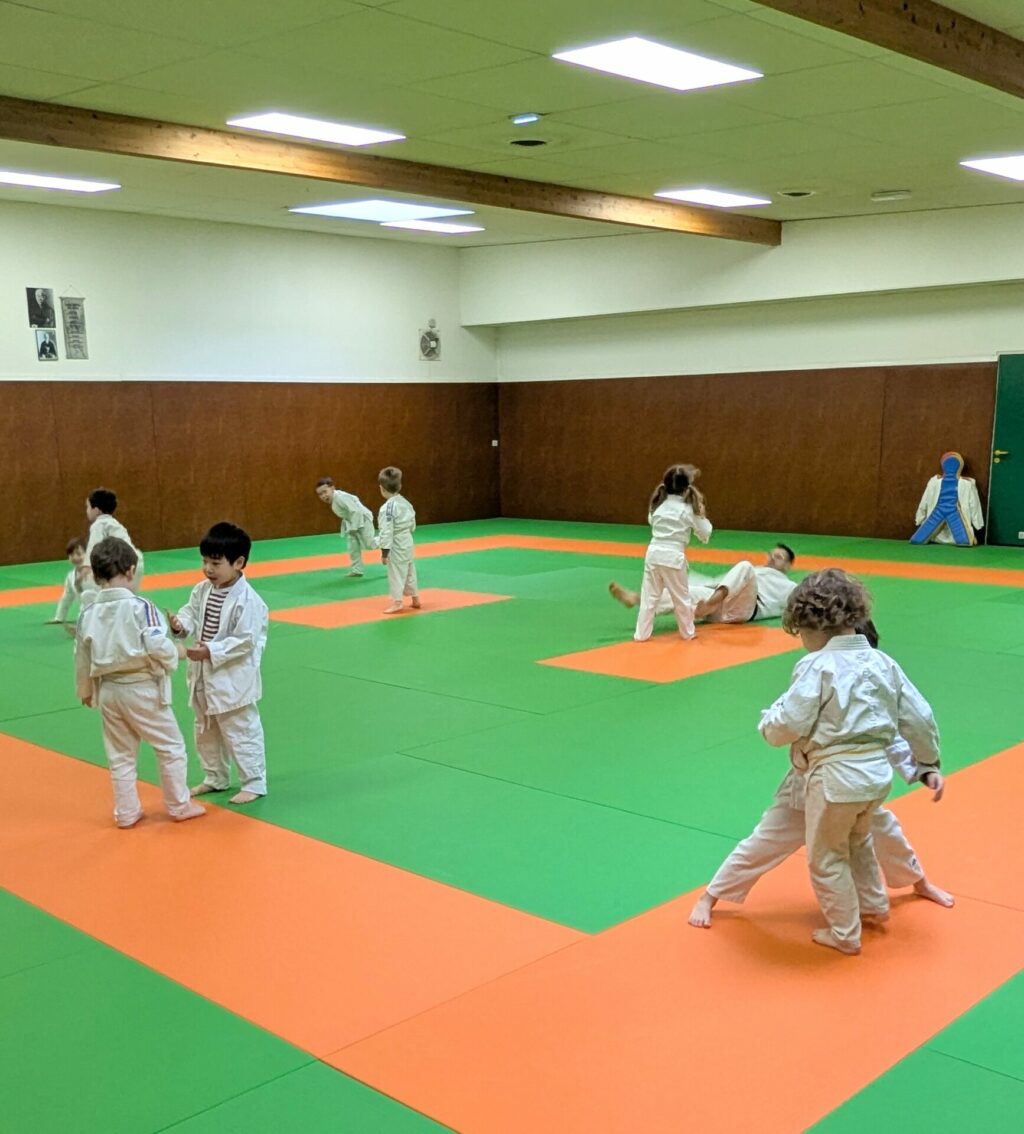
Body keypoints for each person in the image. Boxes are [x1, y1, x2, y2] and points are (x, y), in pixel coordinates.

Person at [688, 617, 952, 933]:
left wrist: (924, 769)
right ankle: (711, 895)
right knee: (765, 841)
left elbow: (894, 735)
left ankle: (917, 881)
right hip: (811, 786)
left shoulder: (868, 692)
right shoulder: (816, 676)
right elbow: (783, 719)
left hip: (849, 790)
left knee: (887, 832)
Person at [746, 569, 941, 954]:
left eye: (800, 633)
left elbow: (791, 721)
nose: (801, 643)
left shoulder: (817, 666)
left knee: (826, 857)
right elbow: (919, 716)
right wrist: (927, 763)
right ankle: (873, 905)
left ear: (813, 625)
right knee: (858, 841)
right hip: (876, 778)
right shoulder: (884, 663)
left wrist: (768, 725)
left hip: (835, 780)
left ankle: (845, 933)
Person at [74, 536, 204, 828]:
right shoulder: (142, 607)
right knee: (170, 746)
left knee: (120, 754)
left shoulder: (87, 613)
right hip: (142, 687)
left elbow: (81, 655)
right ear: (132, 571)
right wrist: (177, 653)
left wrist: (85, 689)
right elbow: (158, 645)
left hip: (108, 689)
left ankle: (126, 812)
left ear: (95, 577)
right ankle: (179, 805)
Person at [167, 522, 269, 805]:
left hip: (231, 676)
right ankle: (215, 777)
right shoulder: (203, 590)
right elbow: (191, 613)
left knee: (240, 729)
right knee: (205, 728)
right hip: (202, 673)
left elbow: (245, 640)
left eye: (215, 563)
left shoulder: (250, 601)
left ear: (239, 563)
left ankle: (254, 781)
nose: (208, 569)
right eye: (204, 561)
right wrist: (180, 625)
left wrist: (210, 650)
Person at [611, 543, 796, 624]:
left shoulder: (788, 586)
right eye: (771, 554)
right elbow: (719, 582)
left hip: (745, 609)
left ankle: (710, 604)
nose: (772, 558)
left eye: (778, 557)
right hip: (716, 607)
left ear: (788, 565)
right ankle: (636, 600)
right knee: (684, 588)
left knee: (745, 566)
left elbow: (805, 602)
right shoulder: (758, 570)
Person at [634, 464, 711, 642]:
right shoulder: (687, 510)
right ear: (686, 488)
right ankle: (688, 633)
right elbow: (705, 531)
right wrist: (701, 513)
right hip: (673, 556)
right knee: (681, 598)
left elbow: (650, 520)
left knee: (649, 598)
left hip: (653, 554)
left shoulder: (658, 507)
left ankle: (641, 635)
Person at [84, 488, 145, 598]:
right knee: (129, 598)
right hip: (136, 562)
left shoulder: (99, 524)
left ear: (97, 510)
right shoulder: (115, 523)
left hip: (122, 565)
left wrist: (87, 567)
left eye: (88, 507)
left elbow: (93, 549)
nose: (86, 510)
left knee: (94, 587)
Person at [377, 466, 420, 614]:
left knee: (395, 572)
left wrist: (384, 552)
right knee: (409, 569)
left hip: (396, 543)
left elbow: (386, 531)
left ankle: (397, 602)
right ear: (399, 486)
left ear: (382, 488)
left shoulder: (387, 508)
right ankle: (415, 598)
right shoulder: (405, 502)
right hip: (408, 539)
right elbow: (413, 523)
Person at [315, 476, 376, 577]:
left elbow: (355, 511)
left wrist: (353, 528)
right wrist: (351, 528)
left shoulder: (340, 497)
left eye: (325, 492)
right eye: (320, 494)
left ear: (332, 488)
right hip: (352, 522)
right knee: (353, 547)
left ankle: (387, 540)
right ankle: (357, 570)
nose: (323, 496)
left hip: (363, 519)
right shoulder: (335, 499)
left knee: (370, 544)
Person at [46, 537, 92, 628]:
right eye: (71, 555)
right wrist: (59, 617)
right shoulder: (71, 576)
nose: (75, 558)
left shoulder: (96, 573)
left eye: (79, 554)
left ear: (88, 554)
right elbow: (67, 597)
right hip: (86, 612)